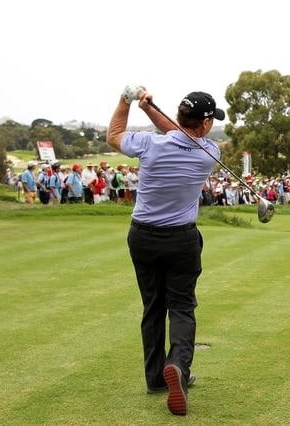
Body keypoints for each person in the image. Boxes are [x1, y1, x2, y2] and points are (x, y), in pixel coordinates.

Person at [108, 85, 224, 416]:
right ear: (203, 125)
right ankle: (179, 368)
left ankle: (156, 378)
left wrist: (128, 101)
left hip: (143, 236)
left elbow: (114, 134)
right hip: (182, 240)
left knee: (153, 307)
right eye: (211, 120)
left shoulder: (148, 144)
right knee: (183, 307)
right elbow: (184, 137)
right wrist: (150, 110)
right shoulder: (209, 153)